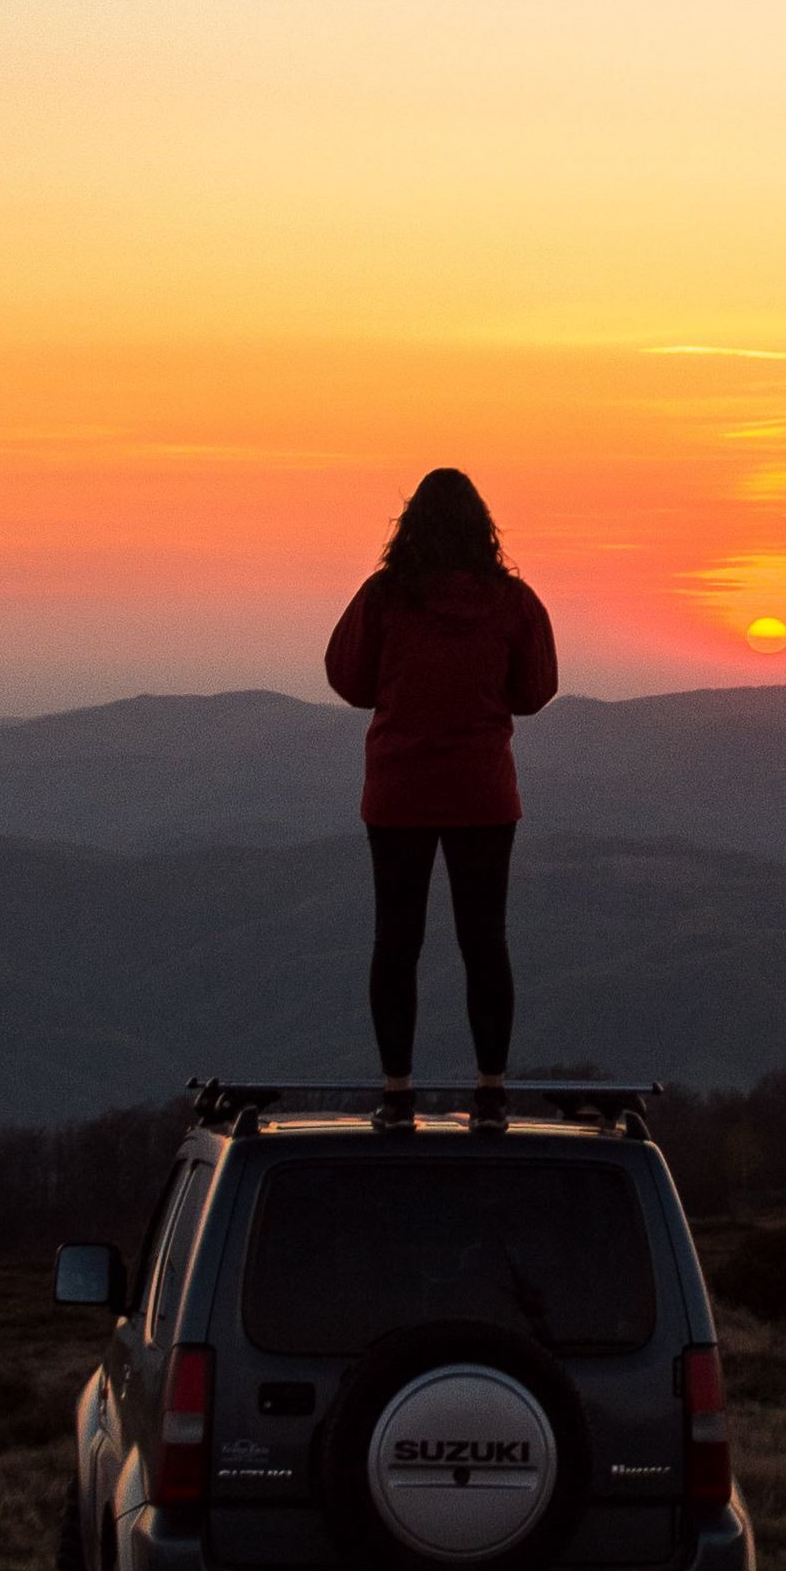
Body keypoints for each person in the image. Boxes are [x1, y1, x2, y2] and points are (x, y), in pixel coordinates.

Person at [323, 467, 558, 1131]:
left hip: (398, 792)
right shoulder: (513, 603)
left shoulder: (385, 597)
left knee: (396, 943)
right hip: (484, 794)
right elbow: (536, 691)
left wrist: (404, 692)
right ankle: (491, 1094)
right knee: (485, 942)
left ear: (411, 527)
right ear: (483, 529)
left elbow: (347, 676)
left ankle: (397, 1095)